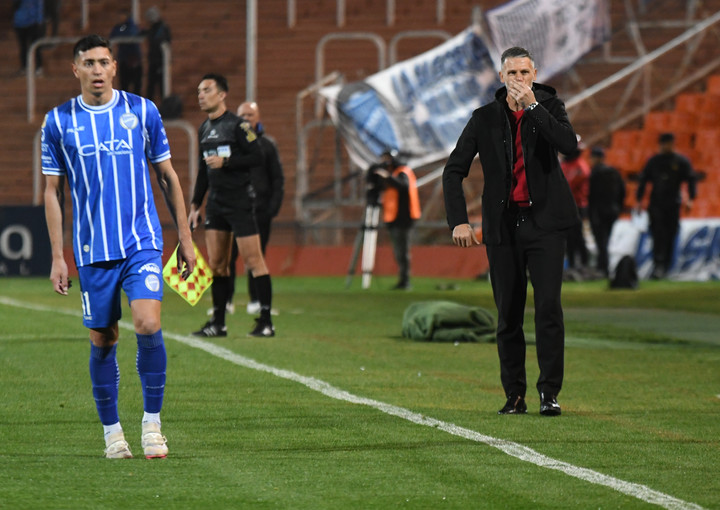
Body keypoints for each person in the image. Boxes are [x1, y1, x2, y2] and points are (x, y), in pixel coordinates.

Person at [42, 35, 196, 459]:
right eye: (88, 62)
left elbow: (168, 176)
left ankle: (152, 425)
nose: (97, 70)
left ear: (114, 67)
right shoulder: (57, 122)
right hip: (92, 250)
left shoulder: (141, 111)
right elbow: (52, 192)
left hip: (141, 241)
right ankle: (112, 432)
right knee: (103, 339)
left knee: (147, 323)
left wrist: (185, 238)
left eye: (104, 62)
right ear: (75, 69)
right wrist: (58, 256)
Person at [443, 47, 579, 416]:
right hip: (503, 228)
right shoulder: (484, 118)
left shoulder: (550, 107)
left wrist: (533, 107)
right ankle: (514, 394)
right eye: (512, 73)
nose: (519, 80)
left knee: (548, 308)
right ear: (501, 78)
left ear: (534, 74)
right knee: (508, 314)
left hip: (546, 225)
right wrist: (458, 220)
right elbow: (453, 170)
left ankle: (549, 393)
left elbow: (569, 147)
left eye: (524, 72)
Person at [189, 74, 275, 338]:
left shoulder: (238, 126)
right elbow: (204, 171)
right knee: (217, 264)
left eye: (207, 90)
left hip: (239, 202)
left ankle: (265, 321)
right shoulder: (204, 129)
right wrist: (195, 205)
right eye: (199, 91)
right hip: (216, 204)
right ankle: (218, 322)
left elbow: (257, 156)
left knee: (253, 261)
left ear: (222, 94)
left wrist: (227, 163)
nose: (201, 95)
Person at [229, 101, 285, 314]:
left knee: (257, 257)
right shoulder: (231, 143)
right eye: (242, 115)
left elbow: (277, 179)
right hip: (234, 210)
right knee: (229, 256)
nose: (246, 119)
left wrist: (272, 208)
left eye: (250, 115)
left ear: (258, 118)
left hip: (260, 211)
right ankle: (226, 302)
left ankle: (256, 301)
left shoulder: (268, 145)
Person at [635, 132, 697, 279]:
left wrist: (690, 199)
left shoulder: (681, 161)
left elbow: (691, 179)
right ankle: (658, 265)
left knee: (670, 234)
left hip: (673, 203)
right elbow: (643, 181)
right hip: (656, 203)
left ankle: (667, 266)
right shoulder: (654, 161)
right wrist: (639, 200)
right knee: (657, 234)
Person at [368, 150, 421, 290]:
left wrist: (387, 177)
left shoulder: (403, 171)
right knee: (398, 250)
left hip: (404, 218)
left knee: (402, 251)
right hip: (392, 217)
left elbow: (403, 186)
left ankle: (405, 280)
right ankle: (403, 279)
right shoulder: (392, 173)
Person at [588, 147, 625, 276]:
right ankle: (603, 267)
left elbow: (591, 195)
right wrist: (618, 207)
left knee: (601, 241)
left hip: (598, 211)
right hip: (612, 211)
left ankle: (603, 268)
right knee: (605, 239)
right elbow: (622, 191)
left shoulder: (594, 173)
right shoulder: (614, 172)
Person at [560, 139, 591, 276]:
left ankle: (583, 264)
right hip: (565, 206)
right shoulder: (564, 165)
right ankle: (572, 265)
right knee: (568, 237)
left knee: (578, 237)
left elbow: (569, 185)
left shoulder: (580, 167)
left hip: (578, 206)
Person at [109, 8, 142, 95]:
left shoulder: (131, 26)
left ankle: (135, 106)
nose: (119, 18)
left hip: (134, 60)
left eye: (121, 16)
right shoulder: (119, 27)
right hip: (123, 59)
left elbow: (131, 34)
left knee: (136, 85)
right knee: (124, 85)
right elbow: (113, 35)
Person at [143, 6, 171, 102]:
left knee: (162, 86)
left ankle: (164, 106)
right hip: (153, 61)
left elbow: (165, 42)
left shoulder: (163, 28)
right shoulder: (152, 29)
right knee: (151, 85)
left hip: (161, 61)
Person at [13, 0, 45, 75]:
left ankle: (39, 68)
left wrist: (39, 21)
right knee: (23, 47)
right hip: (20, 23)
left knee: (36, 47)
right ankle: (24, 67)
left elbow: (39, 7)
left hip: (32, 23)